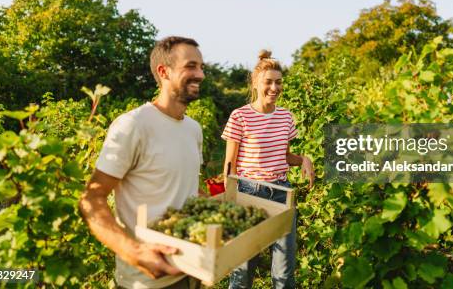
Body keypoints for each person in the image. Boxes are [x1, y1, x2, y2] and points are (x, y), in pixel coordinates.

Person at [79, 36, 205, 289]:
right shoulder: (133, 125)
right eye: (191, 66)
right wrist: (134, 253)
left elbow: (186, 189)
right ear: (163, 71)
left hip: (190, 270)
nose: (200, 74)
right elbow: (91, 199)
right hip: (145, 280)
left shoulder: (194, 129)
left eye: (202, 67)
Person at [222, 50, 315, 289]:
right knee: (242, 271)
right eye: (268, 82)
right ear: (255, 83)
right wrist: (231, 201)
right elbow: (229, 165)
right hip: (248, 193)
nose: (274, 87)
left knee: (284, 274)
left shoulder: (285, 117)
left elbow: (284, 156)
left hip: (281, 194)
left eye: (278, 82)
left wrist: (304, 159)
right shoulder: (240, 116)